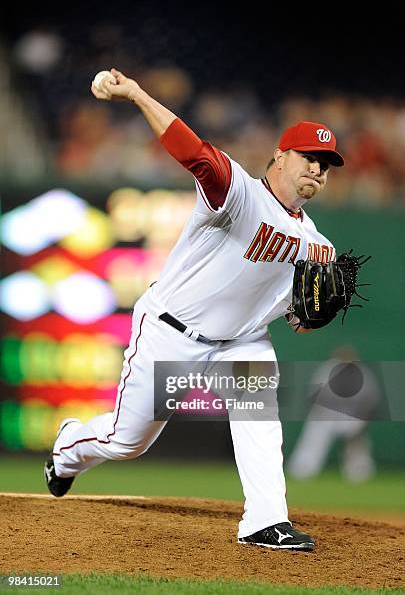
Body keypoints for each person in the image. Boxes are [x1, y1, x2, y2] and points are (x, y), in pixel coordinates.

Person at [44, 68, 345, 551]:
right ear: (280, 156)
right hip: (171, 330)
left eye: (326, 164)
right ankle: (67, 449)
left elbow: (297, 314)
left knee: (259, 418)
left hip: (242, 341)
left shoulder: (320, 247)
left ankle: (265, 521)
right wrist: (137, 93)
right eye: (309, 156)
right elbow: (192, 150)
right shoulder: (239, 192)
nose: (317, 168)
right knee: (127, 441)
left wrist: (304, 320)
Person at [287, 346, 381, 482]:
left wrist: (362, 423)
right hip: (326, 415)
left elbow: (371, 400)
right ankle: (302, 470)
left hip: (351, 417)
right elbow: (313, 395)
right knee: (313, 440)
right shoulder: (327, 370)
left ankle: (359, 473)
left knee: (357, 444)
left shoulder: (363, 373)